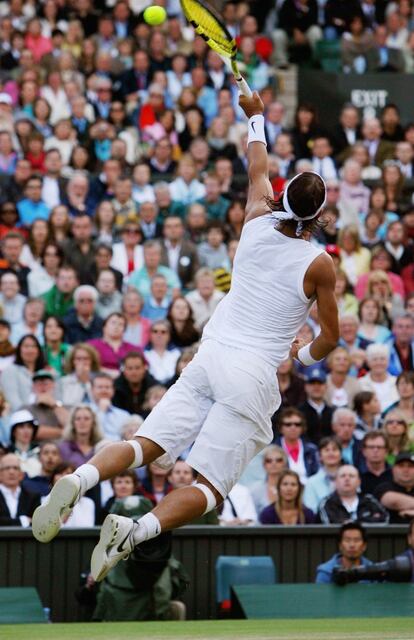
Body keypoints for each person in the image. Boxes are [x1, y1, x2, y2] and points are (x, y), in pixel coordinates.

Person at [32, 91, 339, 583]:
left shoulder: (256, 217)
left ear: (282, 197)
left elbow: (256, 162)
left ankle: (78, 478)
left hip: (208, 357)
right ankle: (134, 533)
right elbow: (330, 339)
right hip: (251, 376)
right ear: (319, 215)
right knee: (210, 488)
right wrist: (302, 356)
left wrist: (255, 115)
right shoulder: (321, 264)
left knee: (146, 444)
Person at [318, 464, 388, 524]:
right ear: (335, 481)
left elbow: (385, 519)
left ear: (359, 481)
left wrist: (353, 523)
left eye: (351, 476)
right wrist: (367, 520)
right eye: (343, 476)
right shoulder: (327, 503)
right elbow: (329, 523)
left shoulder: (369, 500)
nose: (347, 479)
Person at [58, 405, 107, 469]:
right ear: (73, 423)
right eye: (78, 419)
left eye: (86, 418)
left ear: (93, 423)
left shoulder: (100, 447)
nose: (82, 422)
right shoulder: (63, 448)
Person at [303, 436, 342, 514]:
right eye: (326, 450)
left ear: (340, 454)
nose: (331, 453)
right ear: (320, 456)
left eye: (334, 449)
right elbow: (311, 510)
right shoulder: (311, 482)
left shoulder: (350, 477)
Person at [0, 453, 40, 526]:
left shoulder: (33, 497)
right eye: (7, 468)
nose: (11, 472)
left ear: (21, 475)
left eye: (15, 468)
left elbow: (37, 523)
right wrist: (22, 521)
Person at [113, 351, 157, 416]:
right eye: (130, 368)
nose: (134, 372)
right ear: (124, 370)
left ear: (144, 369)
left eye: (137, 368)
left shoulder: (154, 387)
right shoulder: (115, 389)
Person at [375, 452, 414, 524]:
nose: (406, 470)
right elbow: (393, 502)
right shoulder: (384, 487)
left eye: (410, 466)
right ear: (393, 469)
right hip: (389, 533)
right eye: (401, 466)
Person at [249, 445, 288, 515]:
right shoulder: (255, 490)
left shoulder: (293, 487)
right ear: (264, 465)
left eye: (278, 460)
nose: (274, 463)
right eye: (269, 461)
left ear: (284, 463)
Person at [297, 369, 333, 444]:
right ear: (306, 387)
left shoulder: (332, 412)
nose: (316, 387)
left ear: (326, 386)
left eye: (320, 383)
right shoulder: (298, 412)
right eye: (312, 383)